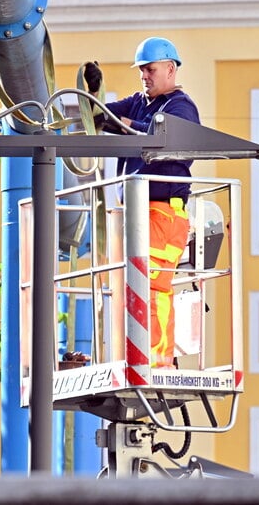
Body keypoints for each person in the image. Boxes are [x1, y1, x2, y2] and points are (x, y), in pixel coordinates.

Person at [81, 37, 200, 368]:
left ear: (170, 69)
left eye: (150, 70)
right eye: (141, 71)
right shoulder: (139, 103)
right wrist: (92, 94)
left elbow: (157, 135)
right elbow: (101, 117)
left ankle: (157, 362)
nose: (144, 76)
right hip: (135, 213)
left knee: (152, 286)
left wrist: (120, 124)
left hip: (162, 212)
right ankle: (133, 357)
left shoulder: (180, 106)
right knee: (130, 287)